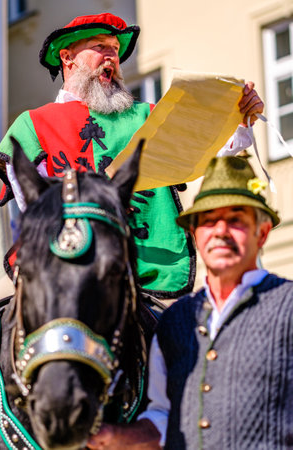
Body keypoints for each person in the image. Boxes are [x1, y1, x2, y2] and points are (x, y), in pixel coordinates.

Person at [0, 12, 265, 303]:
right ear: (68, 58)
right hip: (57, 265)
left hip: (147, 267)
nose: (112, 57)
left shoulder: (148, 115)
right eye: (100, 47)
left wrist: (239, 118)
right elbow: (36, 204)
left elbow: (207, 152)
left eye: (116, 50)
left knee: (195, 338)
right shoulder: (32, 124)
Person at [87, 155, 293, 449]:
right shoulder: (174, 321)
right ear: (194, 234)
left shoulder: (288, 305)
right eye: (208, 221)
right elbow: (162, 416)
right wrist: (117, 437)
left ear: (261, 233)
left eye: (235, 219)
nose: (220, 231)